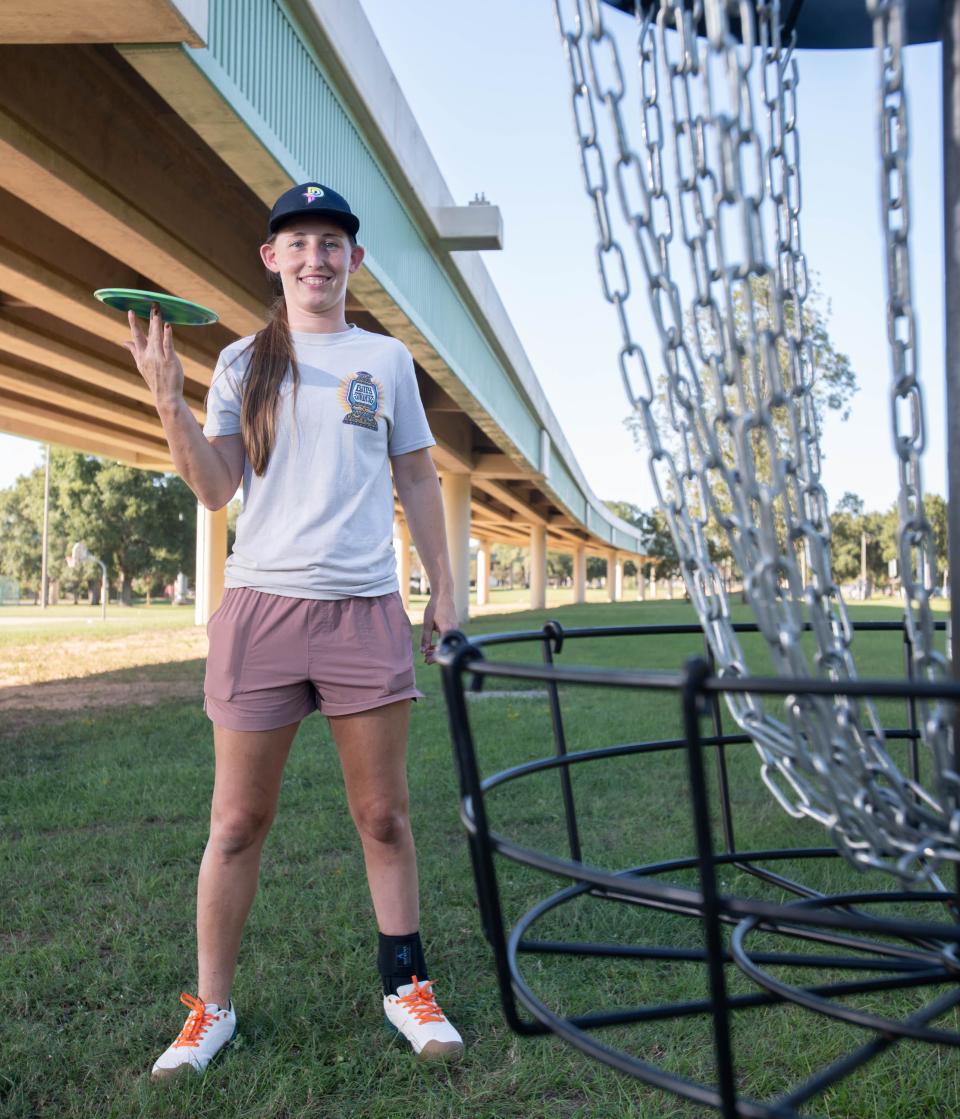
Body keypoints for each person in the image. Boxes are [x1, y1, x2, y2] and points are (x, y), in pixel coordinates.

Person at [123, 182, 464, 1078]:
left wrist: (446, 586)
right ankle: (211, 1009)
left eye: (333, 243)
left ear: (354, 259)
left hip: (364, 611)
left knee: (384, 815)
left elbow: (421, 481)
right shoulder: (242, 361)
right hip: (261, 612)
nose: (316, 257)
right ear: (272, 259)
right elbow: (214, 486)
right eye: (298, 242)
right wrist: (169, 403)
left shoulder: (385, 361)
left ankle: (406, 986)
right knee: (236, 822)